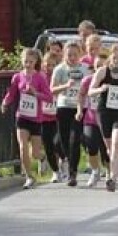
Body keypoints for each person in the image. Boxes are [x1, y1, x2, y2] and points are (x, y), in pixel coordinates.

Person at [0, 48, 52, 190]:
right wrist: (5, 103)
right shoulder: (17, 77)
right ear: (22, 61)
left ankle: (42, 158)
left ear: (36, 62)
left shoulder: (40, 77)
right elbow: (11, 93)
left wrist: (35, 93)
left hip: (35, 118)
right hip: (21, 116)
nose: (28, 64)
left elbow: (49, 97)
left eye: (31, 61)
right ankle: (29, 176)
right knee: (22, 147)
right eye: (25, 61)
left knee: (34, 152)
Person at [91, 44, 118, 192]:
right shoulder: (103, 72)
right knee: (110, 147)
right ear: (110, 58)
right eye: (114, 58)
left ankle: (112, 178)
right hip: (105, 112)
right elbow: (90, 91)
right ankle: (117, 166)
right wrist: (100, 89)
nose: (116, 60)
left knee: (116, 143)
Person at [50, 41, 90, 186]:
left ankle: (72, 173)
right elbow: (52, 89)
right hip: (63, 107)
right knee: (64, 139)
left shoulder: (86, 69)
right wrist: (66, 86)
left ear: (80, 54)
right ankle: (67, 160)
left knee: (75, 140)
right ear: (64, 55)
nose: (72, 58)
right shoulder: (59, 69)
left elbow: (92, 86)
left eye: (75, 55)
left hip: (79, 108)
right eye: (69, 55)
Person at [76, 67, 107, 189]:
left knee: (106, 150)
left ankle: (109, 173)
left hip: (106, 121)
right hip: (90, 119)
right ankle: (95, 171)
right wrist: (79, 111)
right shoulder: (88, 80)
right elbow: (81, 95)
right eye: (97, 66)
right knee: (91, 145)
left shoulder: (110, 81)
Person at [39, 51, 65, 181]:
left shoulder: (60, 74)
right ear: (43, 64)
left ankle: (64, 160)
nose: (49, 68)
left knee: (57, 143)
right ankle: (55, 171)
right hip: (43, 116)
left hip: (58, 115)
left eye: (52, 65)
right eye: (47, 65)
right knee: (48, 144)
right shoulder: (40, 77)